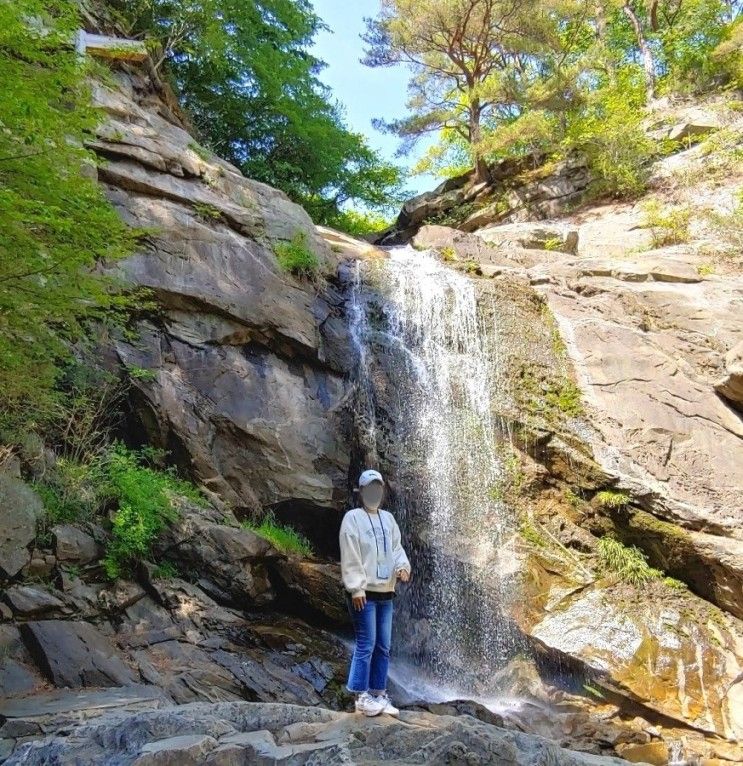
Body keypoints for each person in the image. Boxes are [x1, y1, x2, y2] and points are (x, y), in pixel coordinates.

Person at [339, 469, 411, 717]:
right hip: (363, 594)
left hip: (386, 593)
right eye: (370, 488)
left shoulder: (388, 519)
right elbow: (350, 554)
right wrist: (356, 587)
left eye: (378, 488)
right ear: (361, 492)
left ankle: (379, 693)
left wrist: (402, 567)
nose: (374, 493)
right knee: (366, 643)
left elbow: (396, 548)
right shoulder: (352, 518)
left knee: (384, 646)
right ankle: (361, 696)